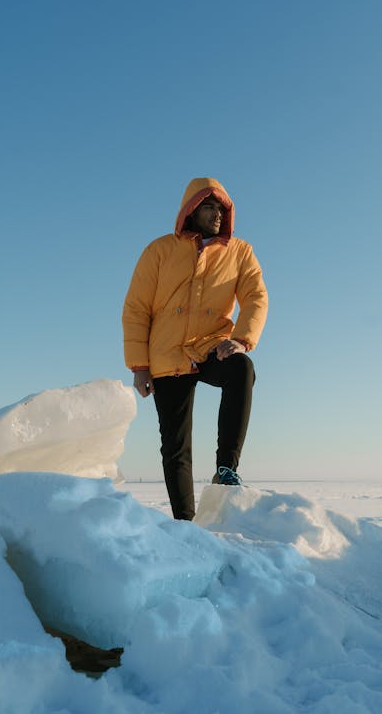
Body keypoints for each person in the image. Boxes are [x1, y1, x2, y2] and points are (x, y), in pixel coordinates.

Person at [122, 177, 268, 520]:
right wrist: (139, 365)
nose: (216, 213)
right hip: (166, 353)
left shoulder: (240, 252)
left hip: (211, 347)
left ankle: (226, 469)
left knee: (241, 370)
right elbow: (136, 308)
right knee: (175, 445)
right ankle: (184, 523)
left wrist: (241, 338)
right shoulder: (159, 250)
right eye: (208, 206)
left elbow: (255, 297)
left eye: (221, 208)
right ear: (190, 210)